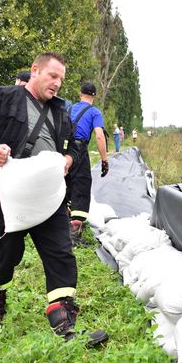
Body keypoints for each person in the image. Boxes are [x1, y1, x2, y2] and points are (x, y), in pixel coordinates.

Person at [0, 52, 108, 347]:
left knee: (61, 255)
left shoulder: (60, 111)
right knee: (5, 258)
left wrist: (68, 158)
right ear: (35, 70)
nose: (57, 84)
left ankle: (65, 325)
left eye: (61, 80)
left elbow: (75, 146)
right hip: (12, 197)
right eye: (53, 76)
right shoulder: (2, 98)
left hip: (50, 197)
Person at [67, 82, 108, 245]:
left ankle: (62, 224)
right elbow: (99, 135)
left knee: (65, 185)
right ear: (94, 96)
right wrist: (104, 159)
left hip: (63, 150)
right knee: (82, 185)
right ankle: (74, 231)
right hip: (79, 149)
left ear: (80, 94)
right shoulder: (94, 112)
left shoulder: (69, 108)